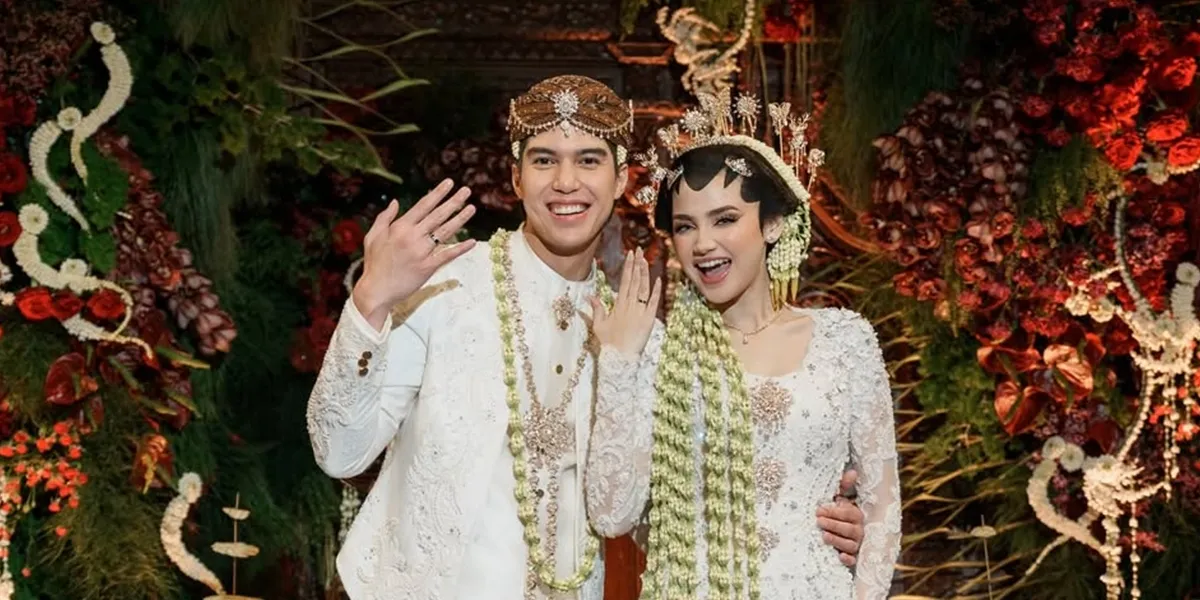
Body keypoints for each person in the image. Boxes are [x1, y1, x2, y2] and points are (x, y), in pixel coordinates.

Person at [305, 75, 867, 600]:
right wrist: (370, 303)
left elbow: (659, 510)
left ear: (621, 178)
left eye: (589, 160)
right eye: (544, 159)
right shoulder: (445, 283)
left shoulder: (641, 337)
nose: (566, 182)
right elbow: (339, 452)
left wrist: (812, 520)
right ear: (516, 175)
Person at [585, 91, 901, 599]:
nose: (703, 243)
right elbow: (611, 513)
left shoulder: (845, 341)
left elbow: (883, 512)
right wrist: (620, 364)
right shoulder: (659, 351)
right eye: (686, 226)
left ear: (772, 223)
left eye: (725, 219)